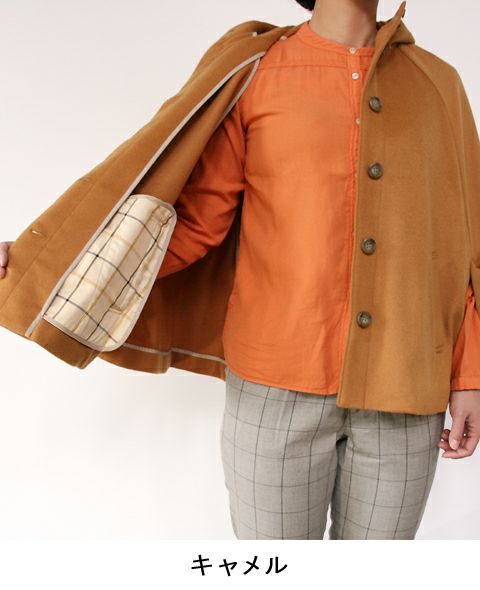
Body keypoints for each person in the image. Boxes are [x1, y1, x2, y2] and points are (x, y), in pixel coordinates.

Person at [1, 0, 479, 540]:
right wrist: (43, 264)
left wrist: (469, 378)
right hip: (274, 387)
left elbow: (462, 241)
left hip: (406, 387)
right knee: (275, 572)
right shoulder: (262, 71)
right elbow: (193, 225)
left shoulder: (438, 84)